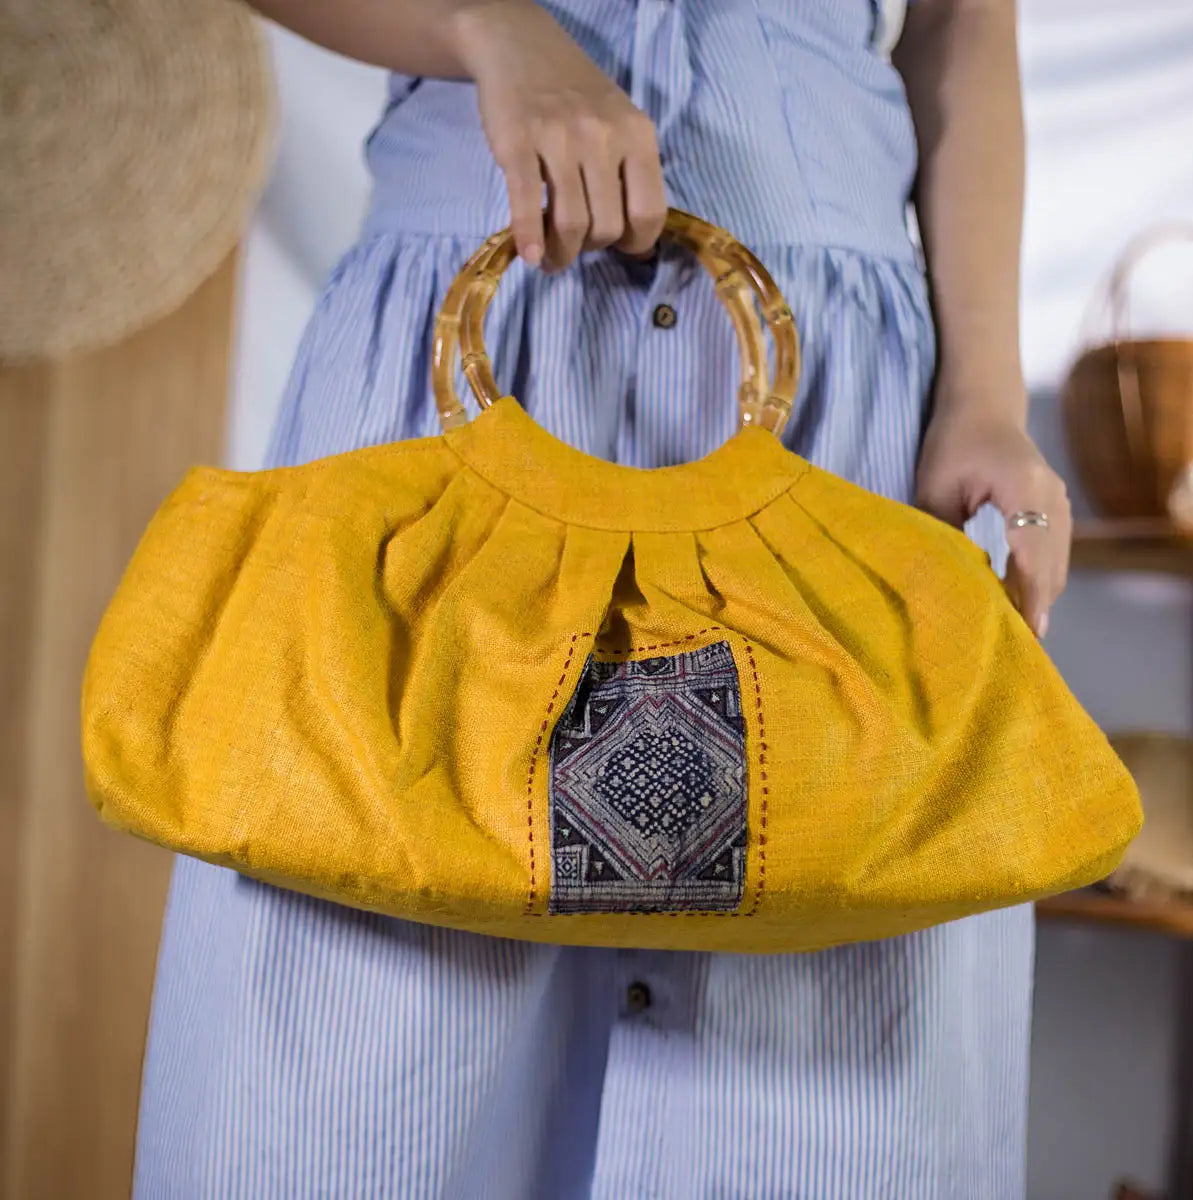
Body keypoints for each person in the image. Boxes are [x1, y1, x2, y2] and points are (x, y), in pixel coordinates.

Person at [134, 2, 1072, 1196]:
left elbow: (961, 19)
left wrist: (986, 390)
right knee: (339, 1092)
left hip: (842, 416)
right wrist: (485, 29)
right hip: (461, 370)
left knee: (823, 1096)